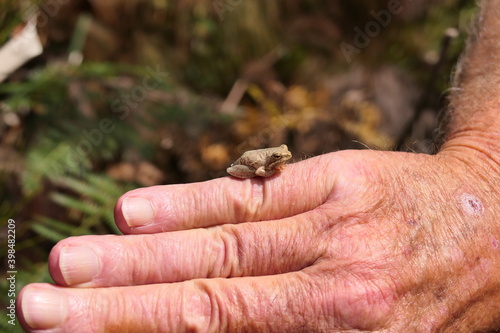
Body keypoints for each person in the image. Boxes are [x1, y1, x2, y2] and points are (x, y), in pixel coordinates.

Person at [18, 0, 499, 331]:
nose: (286, 160)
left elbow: (275, 161)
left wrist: (484, 183)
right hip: (244, 167)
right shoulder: (267, 157)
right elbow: (258, 166)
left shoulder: (279, 155)